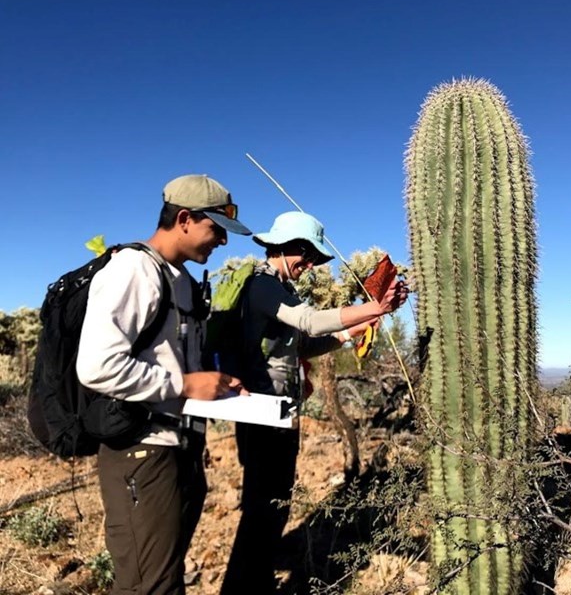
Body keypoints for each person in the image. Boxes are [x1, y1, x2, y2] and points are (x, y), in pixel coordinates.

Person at [76, 174, 251, 595]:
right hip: (142, 451)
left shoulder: (183, 281)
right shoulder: (134, 270)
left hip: (181, 449)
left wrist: (219, 388)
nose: (222, 243)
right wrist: (185, 385)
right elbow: (97, 365)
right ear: (186, 219)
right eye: (216, 230)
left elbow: (176, 363)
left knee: (166, 577)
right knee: (148, 586)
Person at [220, 211, 408, 594]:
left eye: (313, 259)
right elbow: (308, 322)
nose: (309, 266)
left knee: (275, 505)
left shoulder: (282, 291)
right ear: (285, 248)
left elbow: (303, 344)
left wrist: (348, 333)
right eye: (305, 256)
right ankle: (241, 587)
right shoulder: (262, 285)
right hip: (259, 412)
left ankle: (255, 581)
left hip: (279, 411)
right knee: (262, 508)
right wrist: (375, 308)